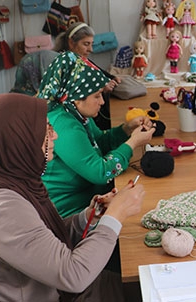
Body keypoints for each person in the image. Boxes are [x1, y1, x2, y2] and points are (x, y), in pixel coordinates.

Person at [0, 93, 145, 301]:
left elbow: (44, 241)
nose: (54, 136)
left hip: (57, 288)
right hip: (63, 289)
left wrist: (90, 216)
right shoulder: (0, 210)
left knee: (146, 282)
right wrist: (115, 216)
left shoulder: (14, 179)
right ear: (20, 140)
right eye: (46, 130)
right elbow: (74, 276)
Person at [37, 34, 155, 218]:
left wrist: (125, 130)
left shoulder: (75, 113)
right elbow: (100, 172)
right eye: (97, 95)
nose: (102, 101)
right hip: (67, 215)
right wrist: (132, 143)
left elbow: (99, 141)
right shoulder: (63, 124)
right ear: (76, 98)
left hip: (87, 202)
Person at [52, 22, 119, 130]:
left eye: (92, 44)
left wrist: (112, 79)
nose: (91, 49)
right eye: (86, 44)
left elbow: (103, 75)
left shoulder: (80, 59)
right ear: (71, 42)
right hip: (72, 122)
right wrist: (101, 87)